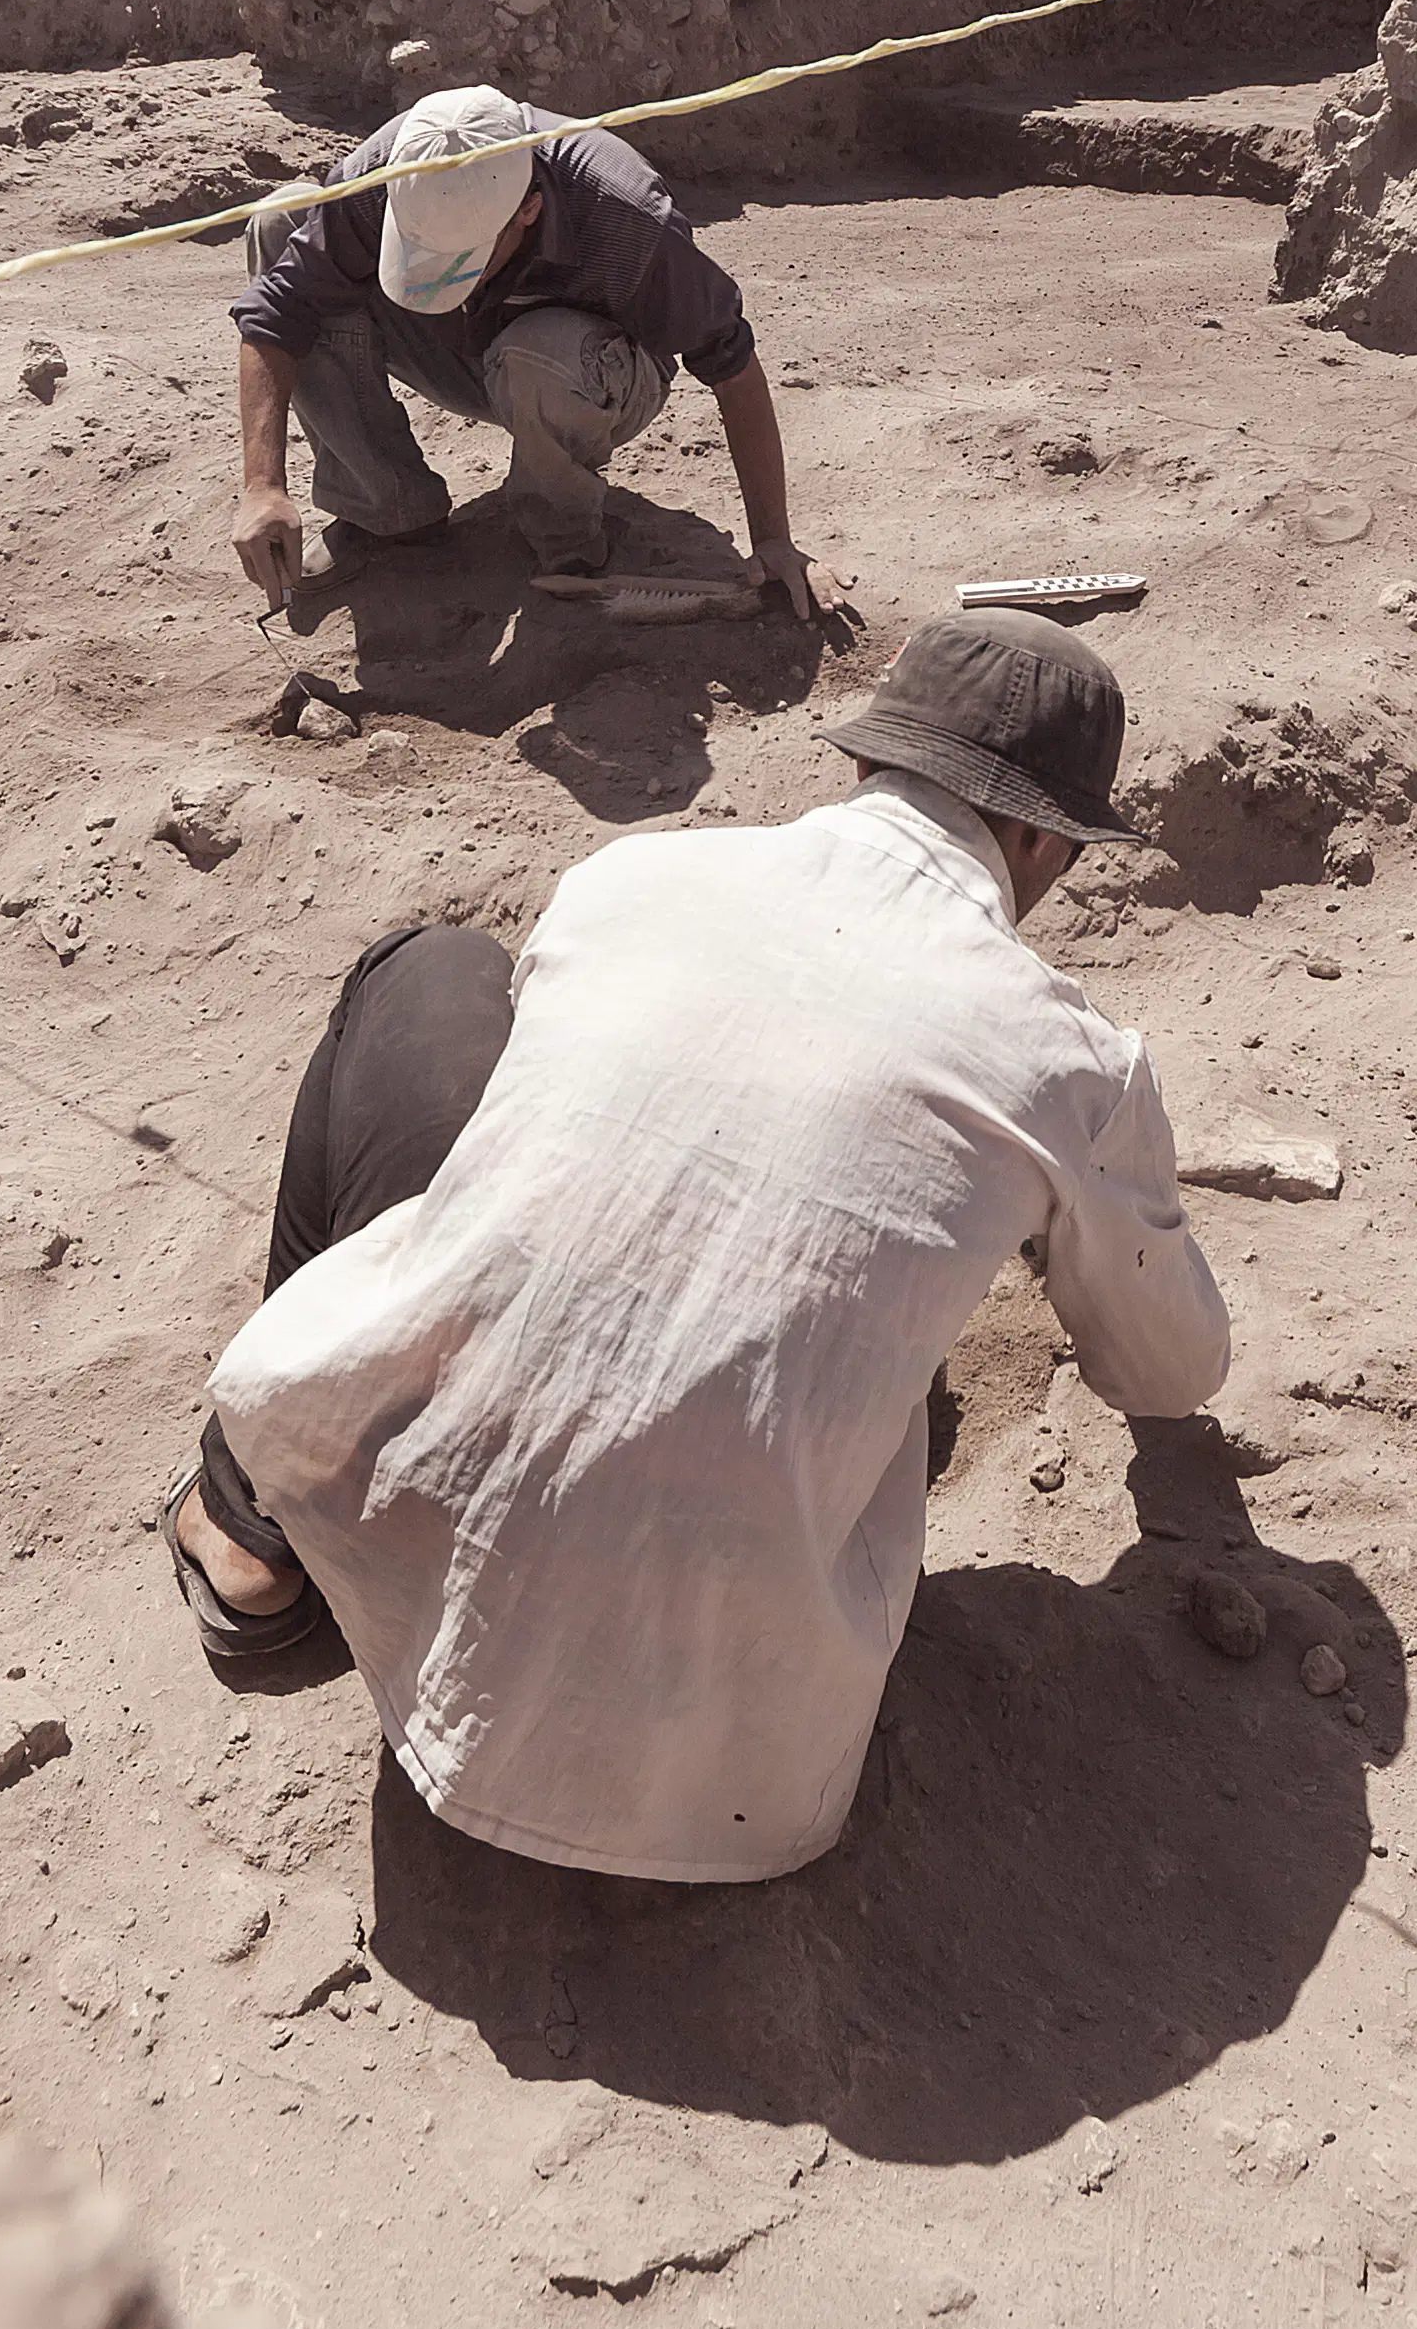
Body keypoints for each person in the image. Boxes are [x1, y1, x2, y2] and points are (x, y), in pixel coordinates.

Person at [162, 612, 1230, 1882]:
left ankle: (258, 1528)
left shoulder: (633, 880)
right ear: (1044, 838)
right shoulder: (1078, 1064)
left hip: (427, 1546)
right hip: (731, 1781)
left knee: (434, 976)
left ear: (869, 765)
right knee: (869, 1359)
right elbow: (1172, 1376)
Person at [225, 82, 817, 625]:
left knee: (536, 352)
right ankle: (388, 512)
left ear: (527, 211)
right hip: (466, 343)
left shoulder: (626, 217)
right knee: (281, 225)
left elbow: (732, 364)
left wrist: (772, 540)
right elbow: (275, 311)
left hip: (593, 376)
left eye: (463, 257)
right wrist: (262, 486)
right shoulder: (393, 169)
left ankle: (565, 542)